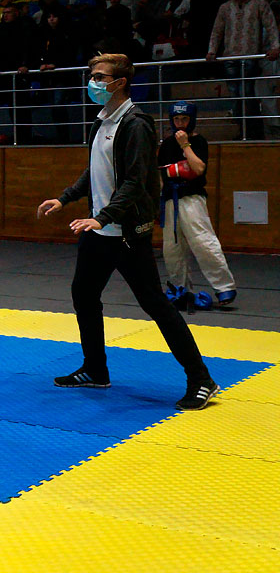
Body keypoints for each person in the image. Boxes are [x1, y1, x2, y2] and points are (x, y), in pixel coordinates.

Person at [37, 54, 219, 411]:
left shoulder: (136, 124)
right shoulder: (101, 121)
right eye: (92, 75)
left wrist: (103, 218)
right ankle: (95, 369)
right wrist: (65, 198)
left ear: (119, 83)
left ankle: (202, 379)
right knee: (83, 295)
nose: (93, 82)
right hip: (99, 231)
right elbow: (95, 171)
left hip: (125, 233)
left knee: (155, 304)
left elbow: (136, 181)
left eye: (99, 77)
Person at [158, 102, 237, 308]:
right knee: (172, 249)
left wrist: (185, 146)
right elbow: (161, 175)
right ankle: (180, 288)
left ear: (192, 120)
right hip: (170, 199)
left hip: (192, 198)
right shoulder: (166, 145)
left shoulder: (199, 142)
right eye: (176, 119)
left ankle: (224, 287)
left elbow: (198, 169)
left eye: (184, 119)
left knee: (203, 242)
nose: (180, 123)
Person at [207, 0, 280, 138]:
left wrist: (275, 47)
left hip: (250, 56)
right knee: (236, 96)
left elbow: (271, 26)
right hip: (230, 58)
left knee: (247, 94)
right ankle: (243, 130)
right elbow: (217, 31)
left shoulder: (259, 4)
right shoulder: (225, 8)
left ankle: (253, 132)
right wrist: (212, 50)